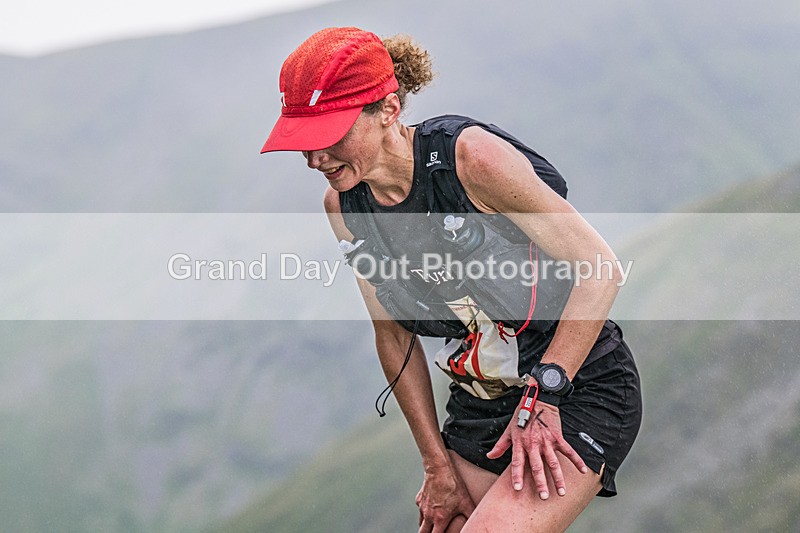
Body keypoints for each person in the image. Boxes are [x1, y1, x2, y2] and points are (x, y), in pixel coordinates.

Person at [260, 27, 642, 533]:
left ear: (388, 109)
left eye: (329, 137)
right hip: (480, 404)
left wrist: (543, 395)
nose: (314, 159)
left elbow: (600, 268)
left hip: (573, 387)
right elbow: (392, 335)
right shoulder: (345, 207)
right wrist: (436, 464)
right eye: (303, 142)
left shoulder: (470, 160)